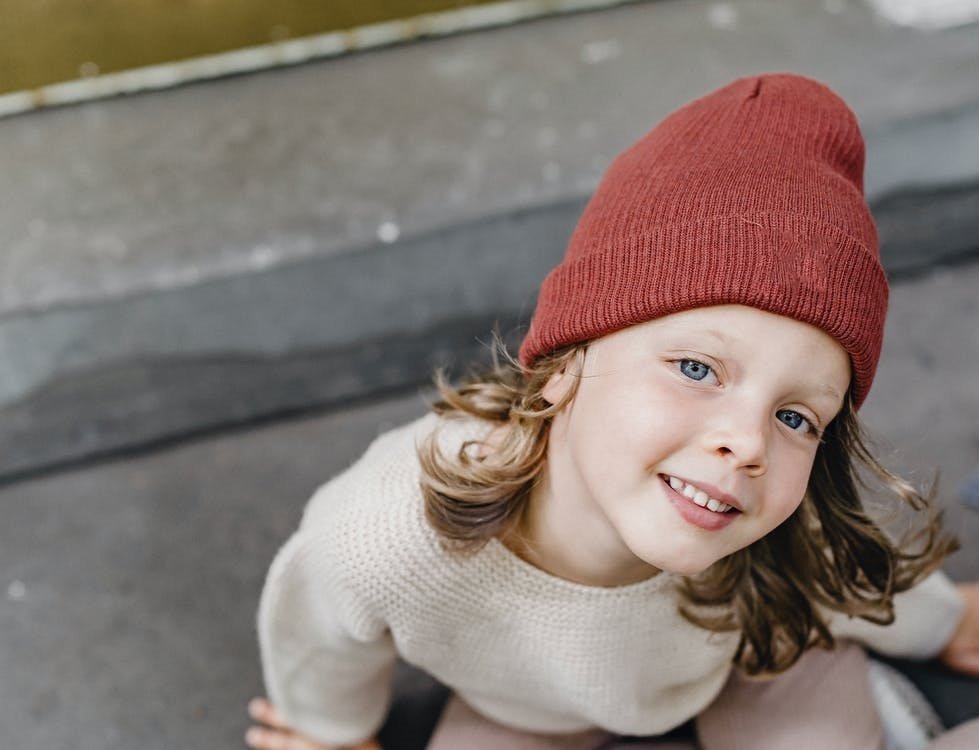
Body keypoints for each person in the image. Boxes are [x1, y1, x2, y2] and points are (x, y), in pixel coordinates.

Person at [246, 74, 979, 750]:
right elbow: (319, 630)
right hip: (529, 706)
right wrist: (333, 732)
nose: (746, 441)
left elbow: (832, 563)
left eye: (796, 417)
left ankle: (883, 707)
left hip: (759, 655)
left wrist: (942, 625)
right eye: (696, 369)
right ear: (564, 369)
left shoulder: (749, 505)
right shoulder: (386, 533)